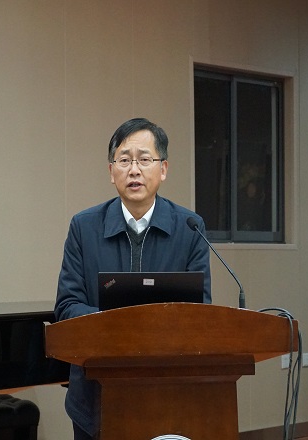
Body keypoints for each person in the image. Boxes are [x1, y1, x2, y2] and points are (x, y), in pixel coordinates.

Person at [54, 117, 211, 440]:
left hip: (169, 394)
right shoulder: (84, 227)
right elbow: (67, 306)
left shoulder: (190, 228)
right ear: (111, 171)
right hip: (95, 397)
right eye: (124, 160)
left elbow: (200, 312)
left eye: (144, 159)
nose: (134, 170)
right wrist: (122, 327)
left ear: (163, 169)